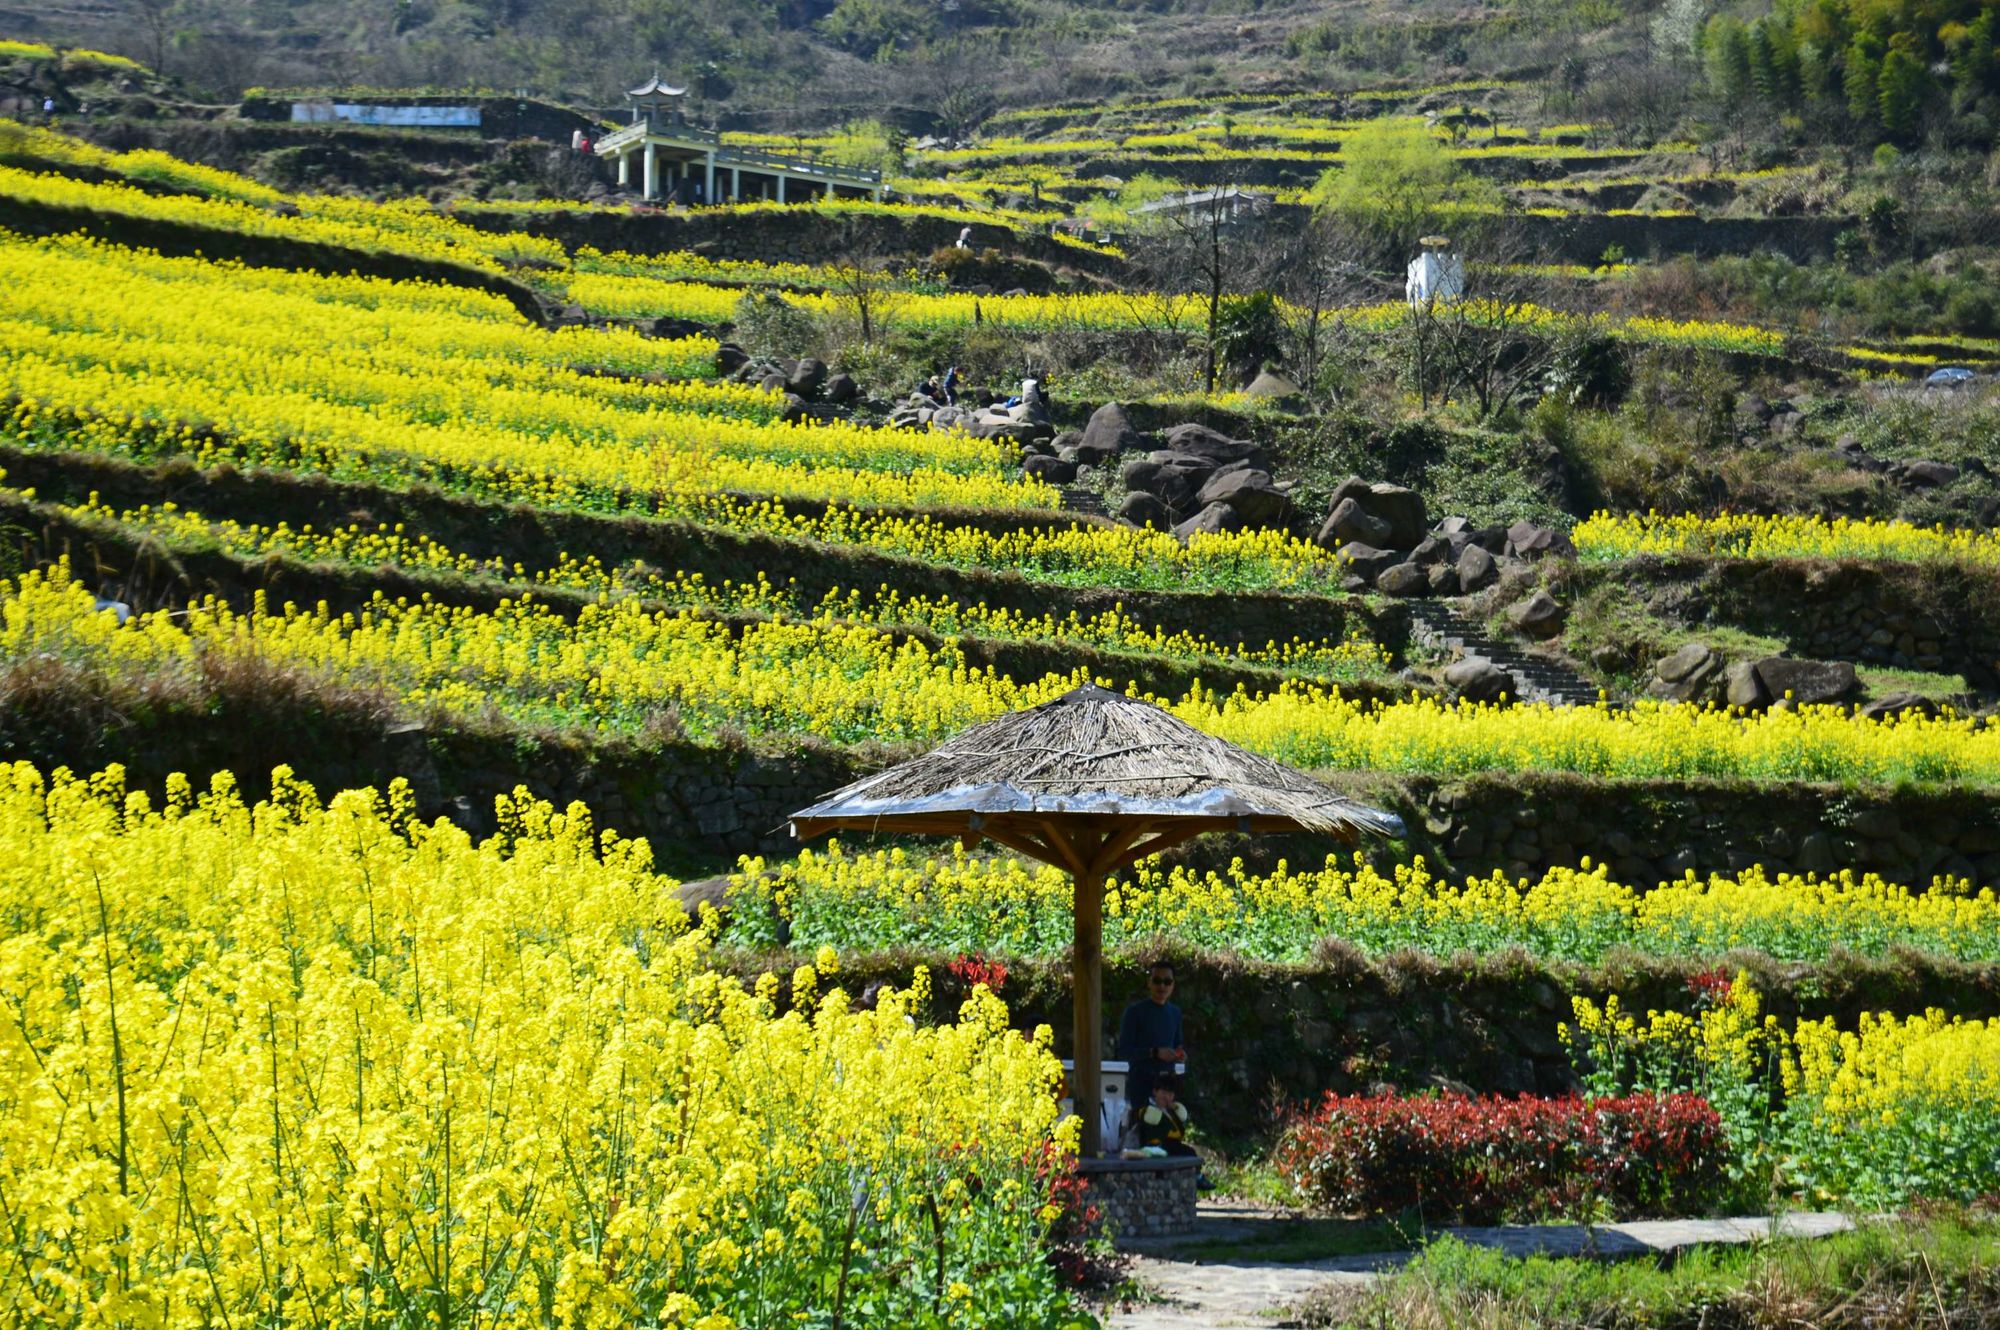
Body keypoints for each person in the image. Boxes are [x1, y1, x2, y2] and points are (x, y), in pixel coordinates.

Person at [1115, 960, 1184, 1108]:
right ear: (1149, 983)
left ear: (1173, 985)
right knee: (1142, 1128)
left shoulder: (1175, 1013)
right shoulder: (1134, 1012)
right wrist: (1155, 1052)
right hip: (1141, 1085)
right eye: (1157, 981)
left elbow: (1177, 1043)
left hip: (1166, 1086)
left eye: (1167, 982)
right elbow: (1124, 1051)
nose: (1162, 986)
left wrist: (1180, 1054)